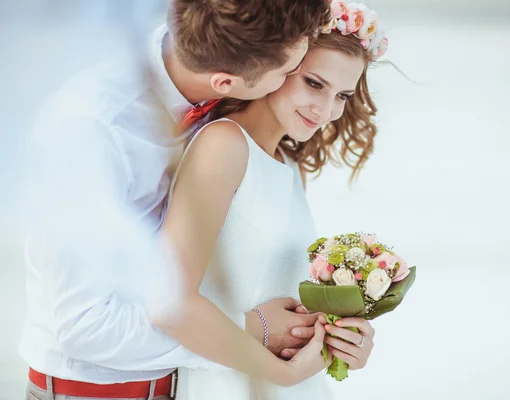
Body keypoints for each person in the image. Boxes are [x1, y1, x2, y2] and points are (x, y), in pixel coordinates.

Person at [21, 1, 333, 399]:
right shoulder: (90, 134)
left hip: (191, 384)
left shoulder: (213, 56)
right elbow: (83, 328)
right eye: (290, 72)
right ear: (225, 83)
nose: (294, 79)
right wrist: (254, 331)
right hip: (94, 390)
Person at [162, 1, 388, 398]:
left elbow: (272, 293)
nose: (325, 110)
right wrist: (281, 373)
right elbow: (171, 300)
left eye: (342, 95)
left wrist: (341, 337)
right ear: (280, 65)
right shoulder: (225, 146)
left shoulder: (287, 164)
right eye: (314, 84)